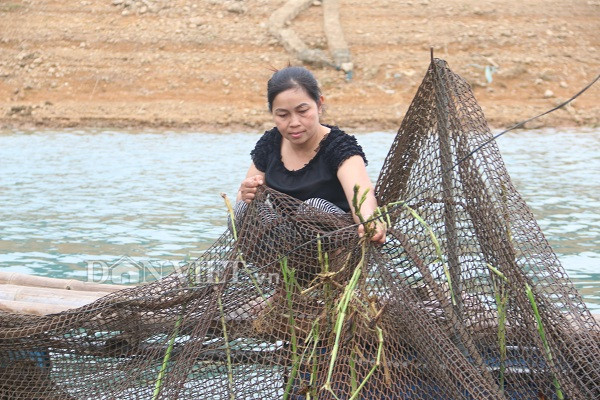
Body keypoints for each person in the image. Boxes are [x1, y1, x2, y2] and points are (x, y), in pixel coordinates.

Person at [236, 66, 385, 244]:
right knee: (241, 210)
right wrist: (246, 193)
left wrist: (369, 222)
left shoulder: (339, 147)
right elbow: (243, 197)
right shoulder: (270, 143)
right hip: (284, 244)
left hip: (333, 243)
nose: (294, 123)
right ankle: (280, 267)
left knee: (313, 207)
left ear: (319, 105)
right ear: (273, 113)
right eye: (283, 115)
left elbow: (362, 195)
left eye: (303, 111)